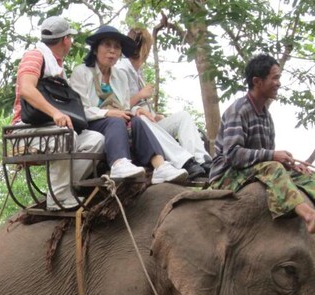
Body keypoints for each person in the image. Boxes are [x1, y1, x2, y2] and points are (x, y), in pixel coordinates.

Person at [209, 53, 315, 252]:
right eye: (275, 77)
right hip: (227, 174)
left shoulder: (266, 116)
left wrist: (290, 165)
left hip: (253, 170)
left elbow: (265, 155)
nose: (279, 83)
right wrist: (273, 156)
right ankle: (309, 216)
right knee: (273, 167)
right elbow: (233, 155)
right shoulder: (239, 109)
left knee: (306, 175)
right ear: (257, 81)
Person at [69, 26, 188, 185]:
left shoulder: (120, 76)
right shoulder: (81, 72)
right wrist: (107, 113)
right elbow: (80, 110)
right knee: (116, 120)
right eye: (107, 45)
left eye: (117, 47)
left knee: (138, 120)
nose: (112, 51)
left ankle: (160, 167)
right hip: (91, 123)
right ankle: (119, 163)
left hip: (117, 121)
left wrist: (137, 110)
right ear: (96, 49)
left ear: (120, 53)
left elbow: (125, 108)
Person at [11, 15, 105, 210]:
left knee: (95, 139)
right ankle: (58, 197)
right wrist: (55, 113)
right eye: (70, 38)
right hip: (25, 130)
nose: (71, 42)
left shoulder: (57, 66)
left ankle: (64, 187)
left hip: (48, 129)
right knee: (64, 134)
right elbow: (27, 89)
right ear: (65, 39)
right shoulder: (35, 56)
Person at [117, 27, 212, 179]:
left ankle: (203, 160)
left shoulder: (138, 71)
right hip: (134, 127)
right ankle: (184, 161)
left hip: (149, 121)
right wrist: (141, 95)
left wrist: (155, 115)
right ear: (145, 47)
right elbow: (119, 106)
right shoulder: (121, 69)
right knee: (143, 120)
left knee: (183, 117)